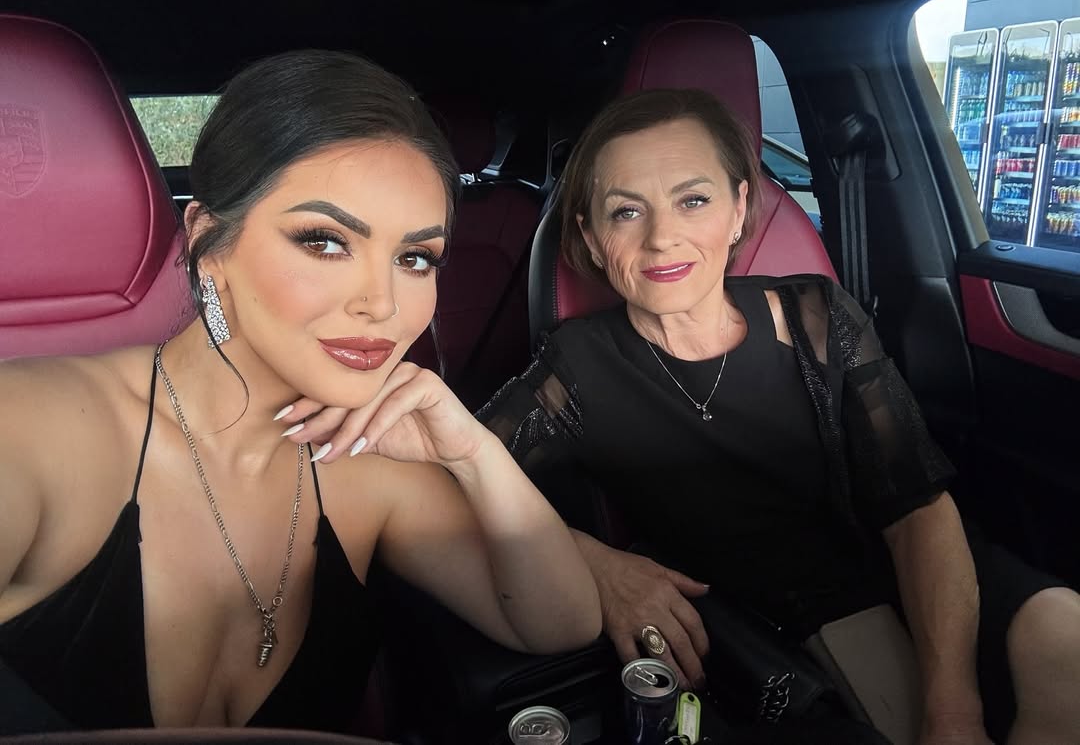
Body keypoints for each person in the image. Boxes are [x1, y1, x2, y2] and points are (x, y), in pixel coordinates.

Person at [0, 50, 600, 734]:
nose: (382, 304)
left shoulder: (372, 465)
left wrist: (473, 453)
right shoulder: (28, 431)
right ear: (209, 243)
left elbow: (559, 622)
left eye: (415, 258)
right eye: (325, 242)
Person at [464, 89, 1078, 745]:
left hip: (926, 573)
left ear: (737, 210)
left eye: (693, 200)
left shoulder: (818, 315)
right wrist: (594, 561)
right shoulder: (578, 365)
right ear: (591, 235)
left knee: (1064, 640)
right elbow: (457, 474)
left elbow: (917, 508)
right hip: (789, 626)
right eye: (626, 211)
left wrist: (954, 709)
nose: (662, 237)